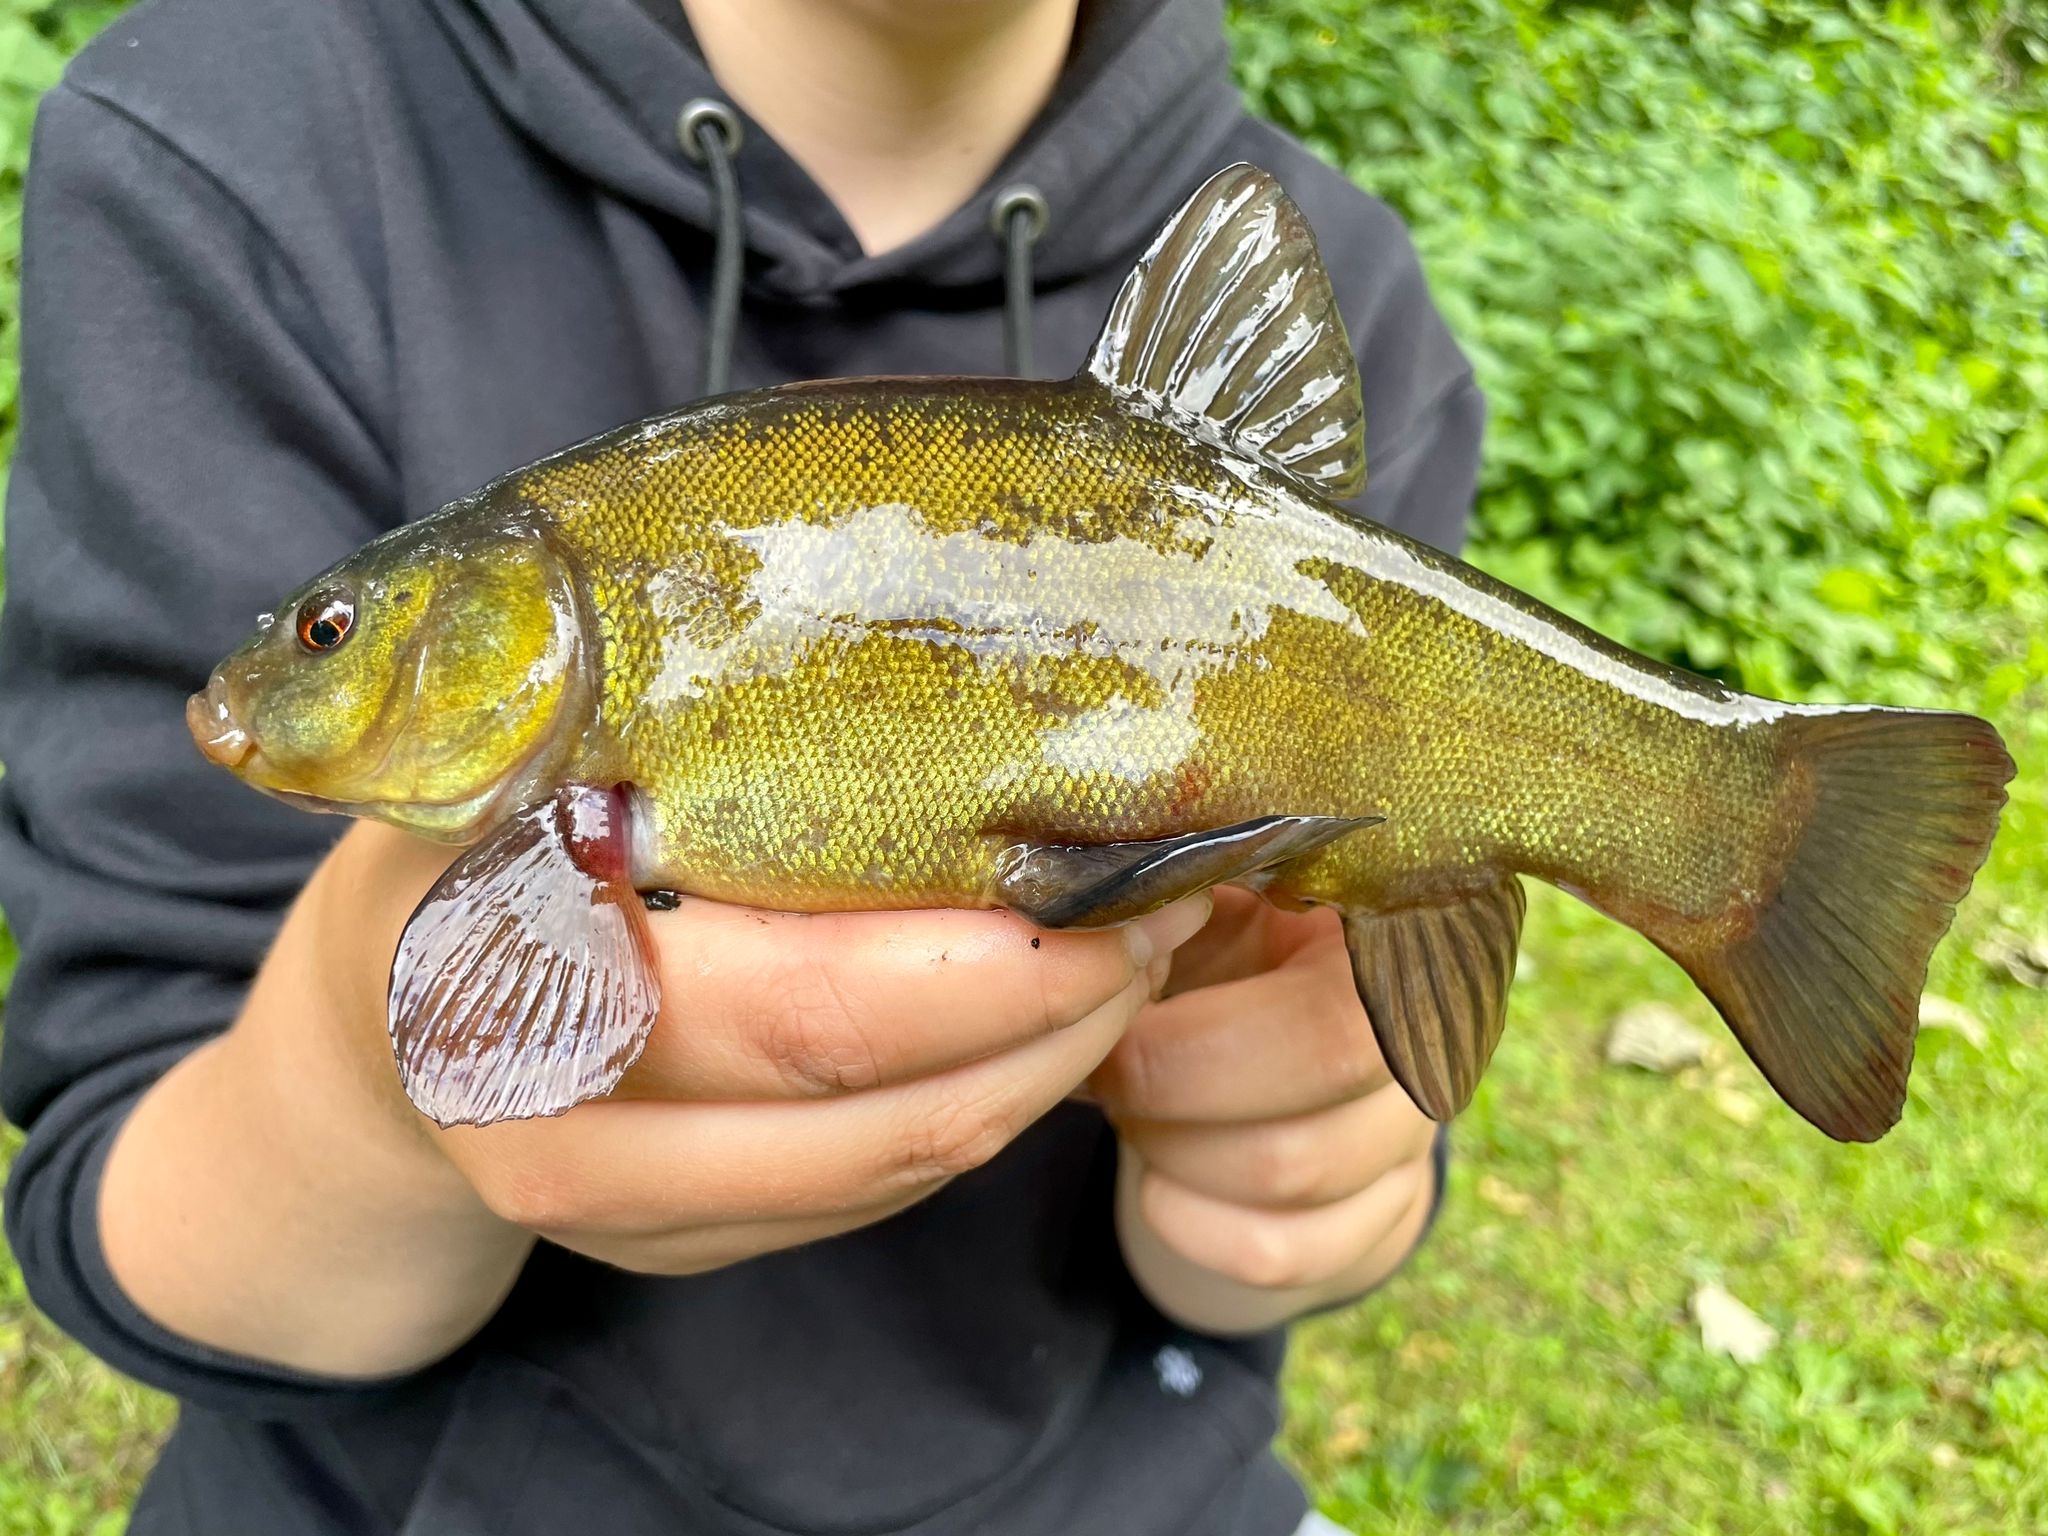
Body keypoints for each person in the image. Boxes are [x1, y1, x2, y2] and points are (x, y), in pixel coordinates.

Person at [0, 0, 1484, 1531]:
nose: (281, 680)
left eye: (325, 632)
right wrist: (366, 1073)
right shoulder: (231, 143)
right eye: (330, 631)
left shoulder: (1366, 301)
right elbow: (120, 1152)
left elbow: (1347, 1117)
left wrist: (1301, 1169)